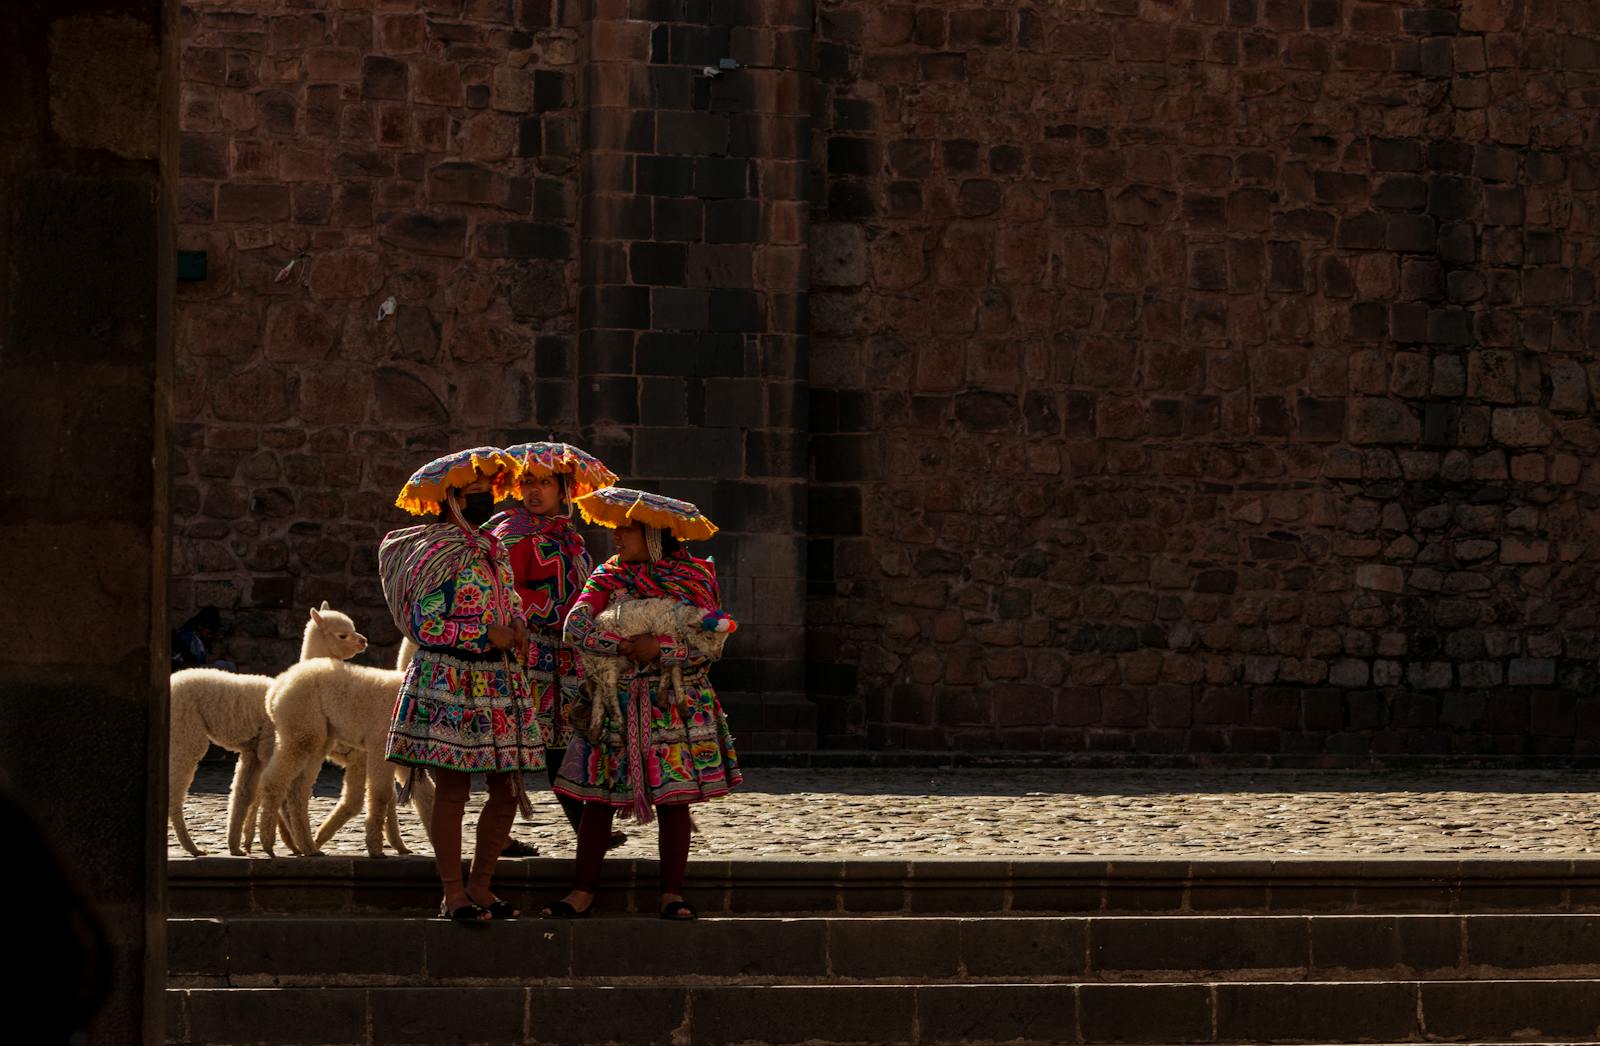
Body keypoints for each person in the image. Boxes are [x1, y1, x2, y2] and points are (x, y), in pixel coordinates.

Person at [541, 488, 740, 921]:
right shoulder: (607, 576)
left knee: (673, 799)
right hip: (614, 698)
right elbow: (575, 627)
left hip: (672, 701)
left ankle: (671, 892)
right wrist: (623, 644)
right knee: (598, 799)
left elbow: (710, 641)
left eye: (625, 530)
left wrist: (663, 648)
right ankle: (582, 891)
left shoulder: (695, 578)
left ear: (653, 535)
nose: (616, 538)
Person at [379, 447, 543, 923]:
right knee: (452, 789)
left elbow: (507, 599)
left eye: (487, 492)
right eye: (474, 494)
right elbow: (422, 623)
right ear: (450, 499)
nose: (484, 500)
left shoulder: (493, 550)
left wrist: (515, 624)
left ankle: (482, 884)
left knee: (506, 788)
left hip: (499, 680)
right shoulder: (434, 551)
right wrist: (479, 633)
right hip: (451, 678)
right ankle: (453, 893)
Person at [486, 442, 625, 856]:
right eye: (527, 482)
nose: (534, 491)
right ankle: (499, 835)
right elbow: (504, 591)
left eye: (544, 482)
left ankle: (584, 825)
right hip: (526, 651)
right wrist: (555, 610)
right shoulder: (510, 534)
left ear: (564, 487)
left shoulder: (568, 536)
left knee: (561, 742)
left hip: (563, 655)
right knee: (513, 744)